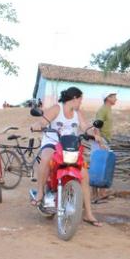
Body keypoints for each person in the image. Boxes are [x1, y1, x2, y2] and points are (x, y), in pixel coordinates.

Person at [30, 86, 103, 227]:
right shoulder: (57, 109)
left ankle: (88, 213)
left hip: (70, 147)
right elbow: (43, 121)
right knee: (45, 158)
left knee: (84, 175)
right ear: (74, 98)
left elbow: (85, 126)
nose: (81, 103)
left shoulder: (77, 113)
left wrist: (94, 134)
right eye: (80, 100)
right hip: (52, 143)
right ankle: (40, 193)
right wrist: (37, 125)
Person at [91, 90, 117, 202]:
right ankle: (94, 195)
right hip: (100, 140)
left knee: (102, 167)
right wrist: (100, 142)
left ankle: (101, 193)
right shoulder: (102, 110)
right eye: (114, 97)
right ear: (108, 98)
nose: (116, 99)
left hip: (105, 139)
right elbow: (96, 126)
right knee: (97, 167)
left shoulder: (108, 109)